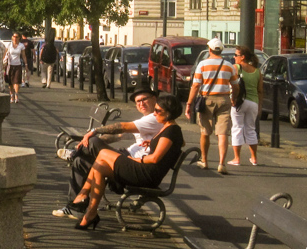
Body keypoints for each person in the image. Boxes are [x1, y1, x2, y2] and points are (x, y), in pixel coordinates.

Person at [69, 95, 184, 230]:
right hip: (145, 170)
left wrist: (136, 159)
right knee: (100, 166)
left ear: (169, 113)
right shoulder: (168, 127)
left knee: (103, 154)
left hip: (147, 174)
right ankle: (90, 213)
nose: (154, 113)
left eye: (158, 111)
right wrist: (153, 143)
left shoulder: (172, 130)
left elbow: (155, 158)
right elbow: (176, 144)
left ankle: (83, 195)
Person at [52, 88, 163, 219]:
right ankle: (75, 208)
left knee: (92, 141)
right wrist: (88, 145)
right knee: (81, 161)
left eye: (144, 99)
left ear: (155, 99)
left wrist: (94, 132)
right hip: (126, 156)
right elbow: (120, 135)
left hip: (132, 163)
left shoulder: (154, 119)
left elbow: (122, 127)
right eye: (138, 101)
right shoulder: (146, 120)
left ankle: (74, 153)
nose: (141, 103)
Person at [185, 37, 238, 174]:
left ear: (209, 49)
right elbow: (235, 85)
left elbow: (196, 85)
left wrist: (189, 103)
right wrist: (234, 98)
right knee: (223, 133)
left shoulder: (202, 65)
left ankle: (205, 161)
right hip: (224, 99)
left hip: (206, 99)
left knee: (205, 131)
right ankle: (221, 163)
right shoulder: (229, 65)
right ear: (221, 50)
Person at [228, 45, 263, 166]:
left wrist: (233, 99)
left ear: (242, 57)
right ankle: (254, 158)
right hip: (253, 102)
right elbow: (260, 91)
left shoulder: (236, 68)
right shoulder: (257, 71)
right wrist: (259, 106)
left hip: (240, 101)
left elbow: (233, 85)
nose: (234, 57)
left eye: (236, 55)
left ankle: (236, 158)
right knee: (251, 129)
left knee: (237, 128)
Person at [4, 33, 27, 103]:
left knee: (16, 81)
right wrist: (3, 62)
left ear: (19, 38)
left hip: (18, 65)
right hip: (10, 65)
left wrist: (26, 64)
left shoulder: (21, 45)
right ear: (12, 37)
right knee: (10, 82)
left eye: (16, 37)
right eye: (14, 36)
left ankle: (16, 95)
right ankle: (11, 96)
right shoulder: (9, 45)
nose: (15, 38)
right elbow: (5, 54)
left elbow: (23, 55)